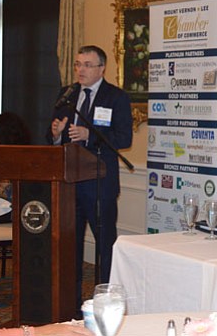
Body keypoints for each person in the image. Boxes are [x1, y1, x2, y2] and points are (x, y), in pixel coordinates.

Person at [47, 45, 133, 307]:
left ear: (101, 68)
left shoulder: (115, 97)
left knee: (105, 245)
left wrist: (88, 135)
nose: (80, 70)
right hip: (69, 184)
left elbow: (123, 138)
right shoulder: (68, 94)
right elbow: (51, 138)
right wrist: (57, 133)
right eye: (77, 64)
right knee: (70, 246)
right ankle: (70, 303)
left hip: (100, 184)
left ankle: (106, 301)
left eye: (86, 64)